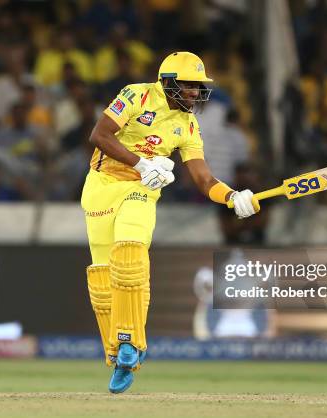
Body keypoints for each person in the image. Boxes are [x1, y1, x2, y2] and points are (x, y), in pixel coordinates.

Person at [81, 51, 259, 394]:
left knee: (130, 256)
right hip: (101, 186)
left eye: (198, 87)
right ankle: (117, 355)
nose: (195, 93)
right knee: (103, 279)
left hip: (140, 192)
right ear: (167, 82)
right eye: (189, 86)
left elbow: (204, 180)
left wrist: (233, 197)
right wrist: (143, 164)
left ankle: (131, 345)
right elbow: (100, 136)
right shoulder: (136, 94)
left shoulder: (188, 125)